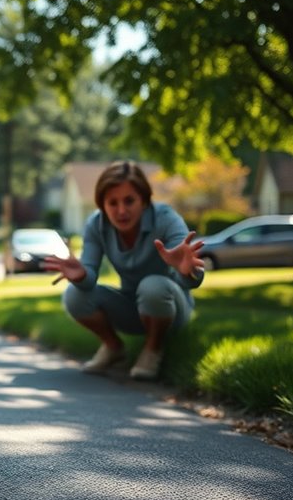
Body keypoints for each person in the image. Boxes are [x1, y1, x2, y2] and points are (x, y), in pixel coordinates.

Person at [42, 161, 205, 380]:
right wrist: (81, 275)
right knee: (73, 295)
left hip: (172, 308)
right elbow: (89, 278)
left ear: (144, 201)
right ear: (102, 205)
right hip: (131, 306)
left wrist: (186, 272)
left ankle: (153, 350)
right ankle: (113, 347)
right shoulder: (96, 225)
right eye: (112, 203)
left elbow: (193, 277)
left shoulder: (166, 219)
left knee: (153, 285)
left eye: (129, 201)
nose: (121, 211)